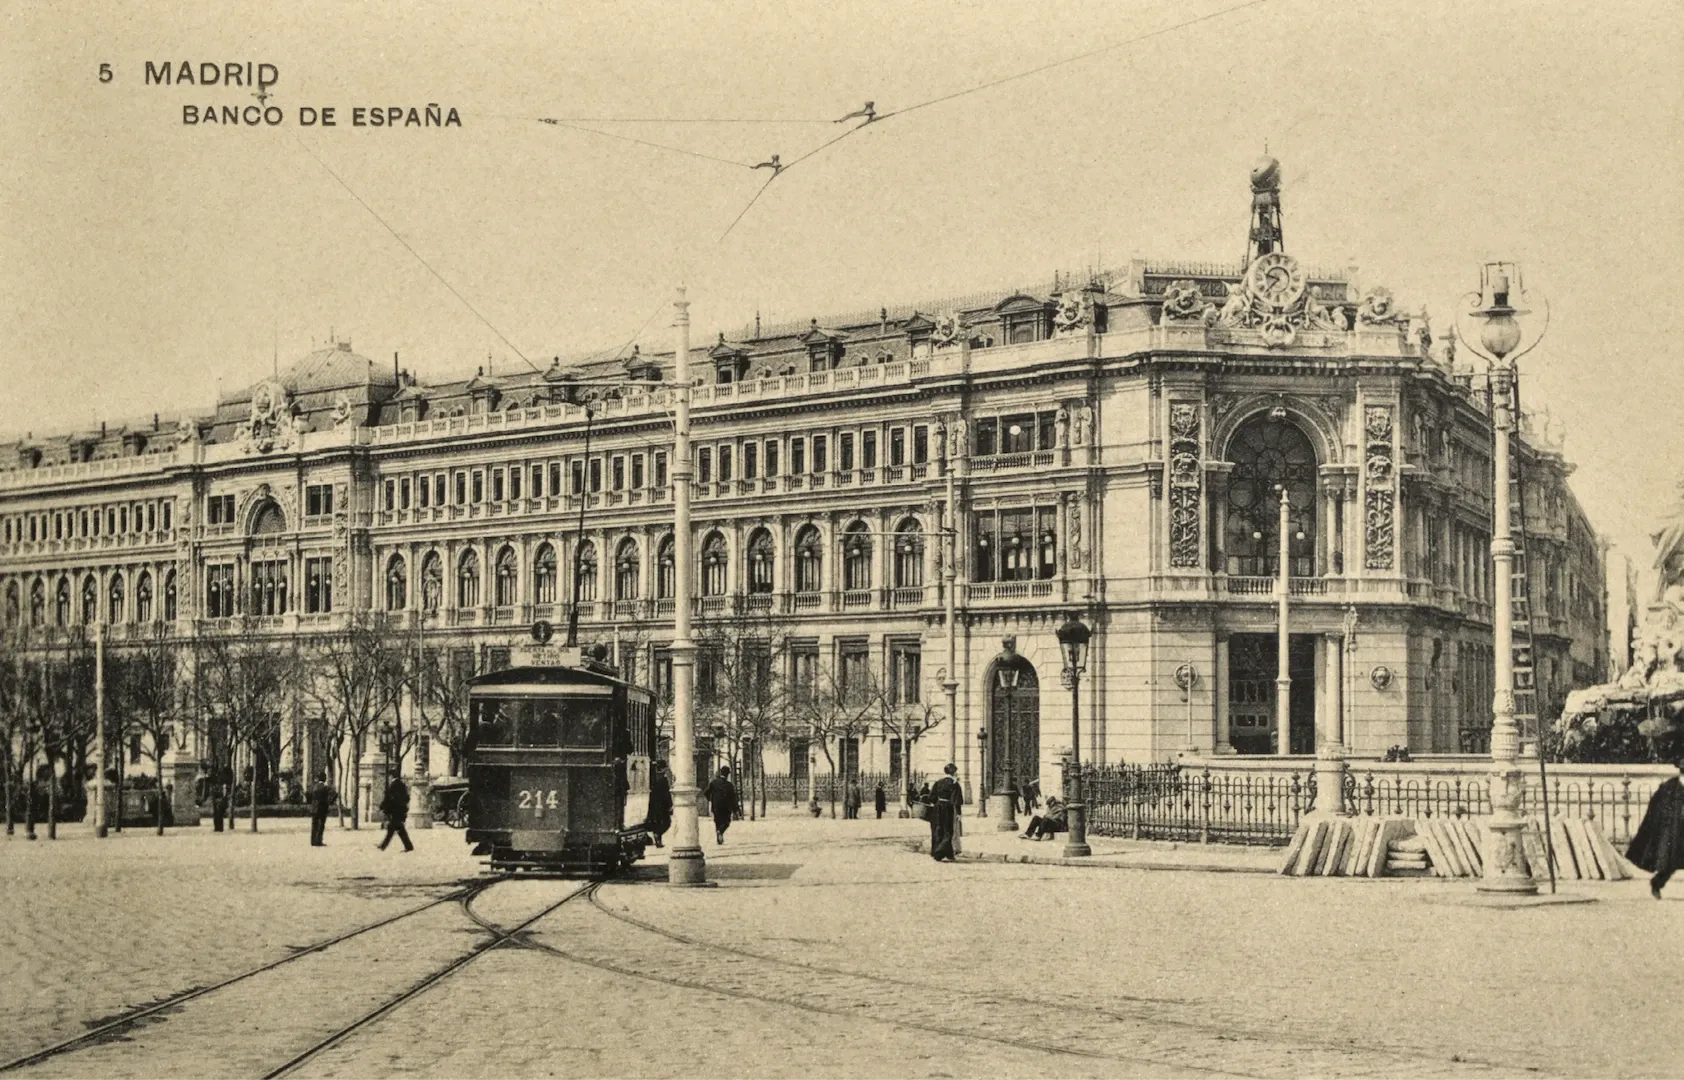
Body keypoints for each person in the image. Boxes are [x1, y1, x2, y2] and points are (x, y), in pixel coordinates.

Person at [1627, 754, 1684, 899]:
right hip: (1673, 830)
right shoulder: (1669, 787)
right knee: (1669, 862)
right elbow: (1658, 810)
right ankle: (1657, 883)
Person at [928, 763, 963, 862]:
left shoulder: (938, 782)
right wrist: (959, 813)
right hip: (948, 808)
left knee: (938, 829)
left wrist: (936, 803)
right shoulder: (954, 784)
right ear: (954, 773)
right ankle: (939, 852)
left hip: (937, 807)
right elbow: (956, 800)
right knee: (948, 830)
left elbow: (931, 797)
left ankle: (947, 853)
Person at [377, 773, 414, 852]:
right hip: (400, 811)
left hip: (394, 811)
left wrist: (382, 806)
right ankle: (408, 846)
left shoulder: (393, 785)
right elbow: (407, 798)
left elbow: (388, 798)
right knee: (399, 829)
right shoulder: (402, 785)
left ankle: (383, 845)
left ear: (391, 776)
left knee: (392, 828)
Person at [701, 766, 737, 845]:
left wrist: (711, 799)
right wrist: (735, 809)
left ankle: (719, 837)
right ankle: (720, 832)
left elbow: (706, 792)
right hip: (726, 807)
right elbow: (733, 798)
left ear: (721, 773)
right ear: (727, 774)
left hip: (716, 806)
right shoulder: (729, 785)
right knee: (726, 822)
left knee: (717, 821)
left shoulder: (714, 782)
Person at [644, 760, 673, 848]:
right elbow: (666, 793)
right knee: (666, 822)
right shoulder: (663, 779)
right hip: (662, 805)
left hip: (653, 804)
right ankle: (657, 837)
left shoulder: (653, 778)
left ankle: (657, 838)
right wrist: (670, 805)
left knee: (656, 822)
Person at [308, 772, 335, 847]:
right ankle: (319, 841)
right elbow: (334, 794)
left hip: (314, 808)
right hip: (323, 808)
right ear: (324, 778)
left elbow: (308, 794)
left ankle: (313, 841)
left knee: (314, 825)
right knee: (321, 825)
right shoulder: (326, 787)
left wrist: (311, 802)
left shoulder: (313, 786)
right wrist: (329, 802)